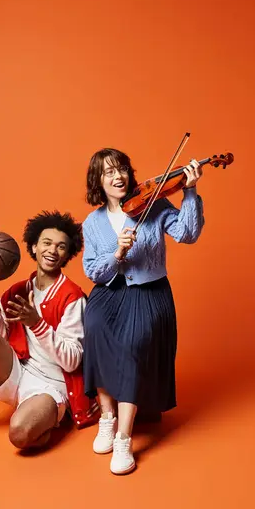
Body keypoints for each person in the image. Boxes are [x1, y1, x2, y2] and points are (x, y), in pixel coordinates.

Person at [82, 148, 204, 474]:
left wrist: (190, 191)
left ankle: (124, 438)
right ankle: (107, 416)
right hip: (110, 293)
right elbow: (94, 272)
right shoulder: (92, 224)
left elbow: (187, 233)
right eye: (108, 172)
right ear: (98, 180)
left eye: (121, 169)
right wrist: (117, 253)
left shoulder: (154, 204)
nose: (117, 176)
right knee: (92, 328)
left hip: (149, 292)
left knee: (134, 345)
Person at [0, 210, 99, 449]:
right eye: (46, 243)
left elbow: (73, 361)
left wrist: (37, 323)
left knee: (19, 435)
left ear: (67, 255)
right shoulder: (18, 290)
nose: (52, 251)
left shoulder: (72, 298)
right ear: (33, 247)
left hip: (52, 386)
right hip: (16, 373)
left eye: (61, 247)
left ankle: (49, 417)